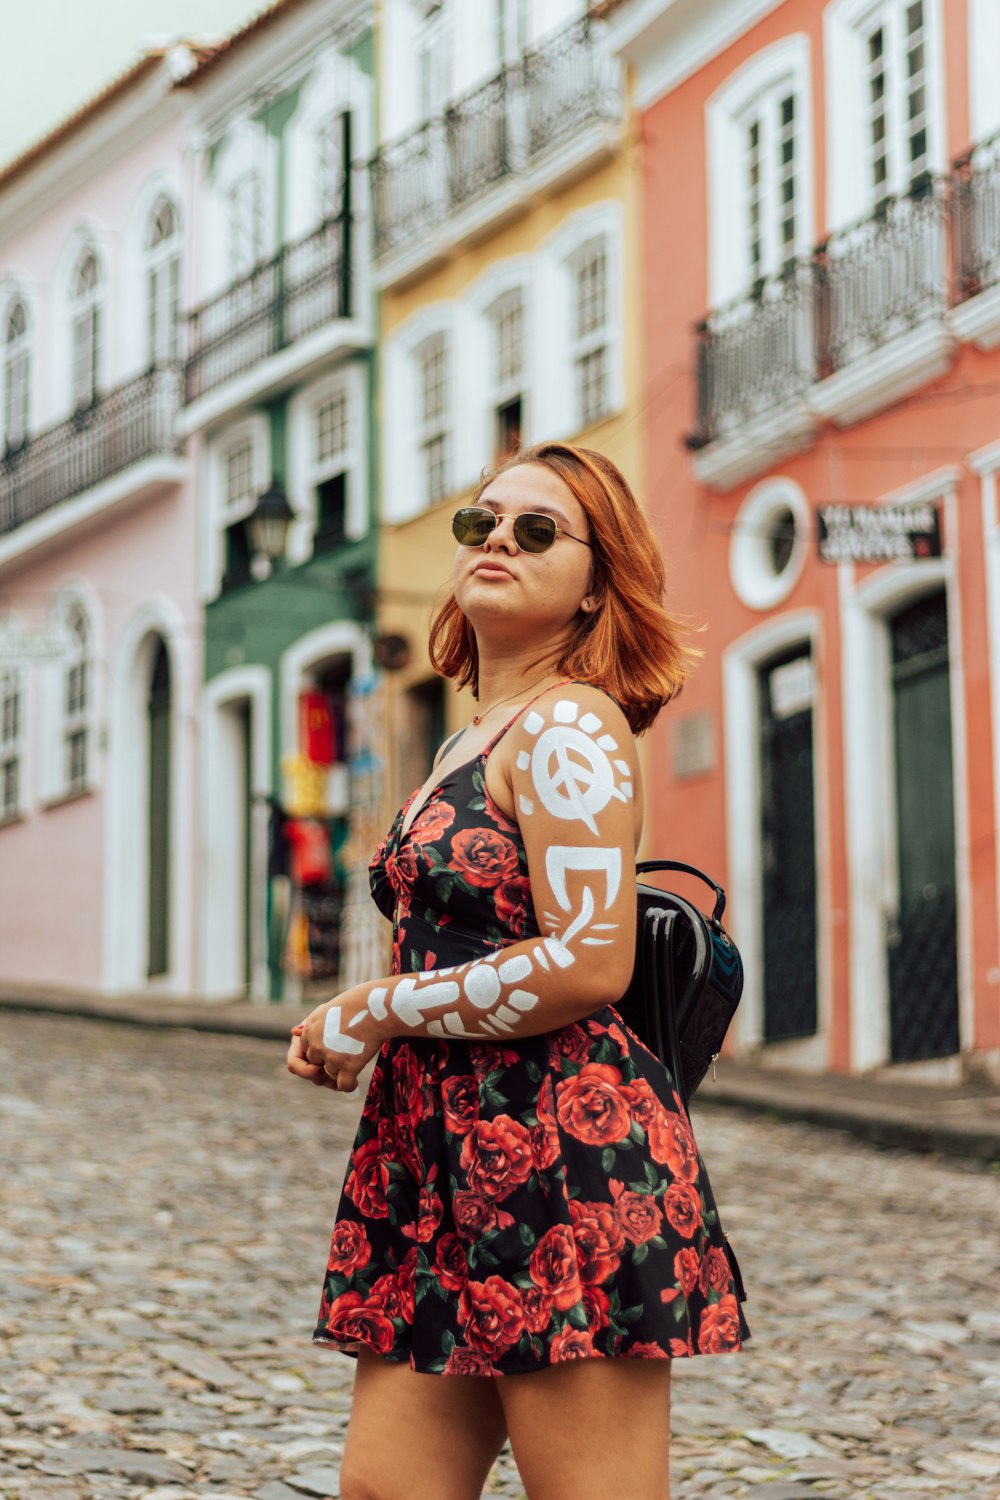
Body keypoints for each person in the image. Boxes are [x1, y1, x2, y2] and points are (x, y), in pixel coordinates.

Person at [287, 442, 749, 1500]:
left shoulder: (571, 727)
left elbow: (591, 959)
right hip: (438, 1160)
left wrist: (379, 1008)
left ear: (595, 588)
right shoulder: (471, 740)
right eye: (480, 521)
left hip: (559, 1155)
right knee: (385, 1489)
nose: (496, 537)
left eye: (537, 530)